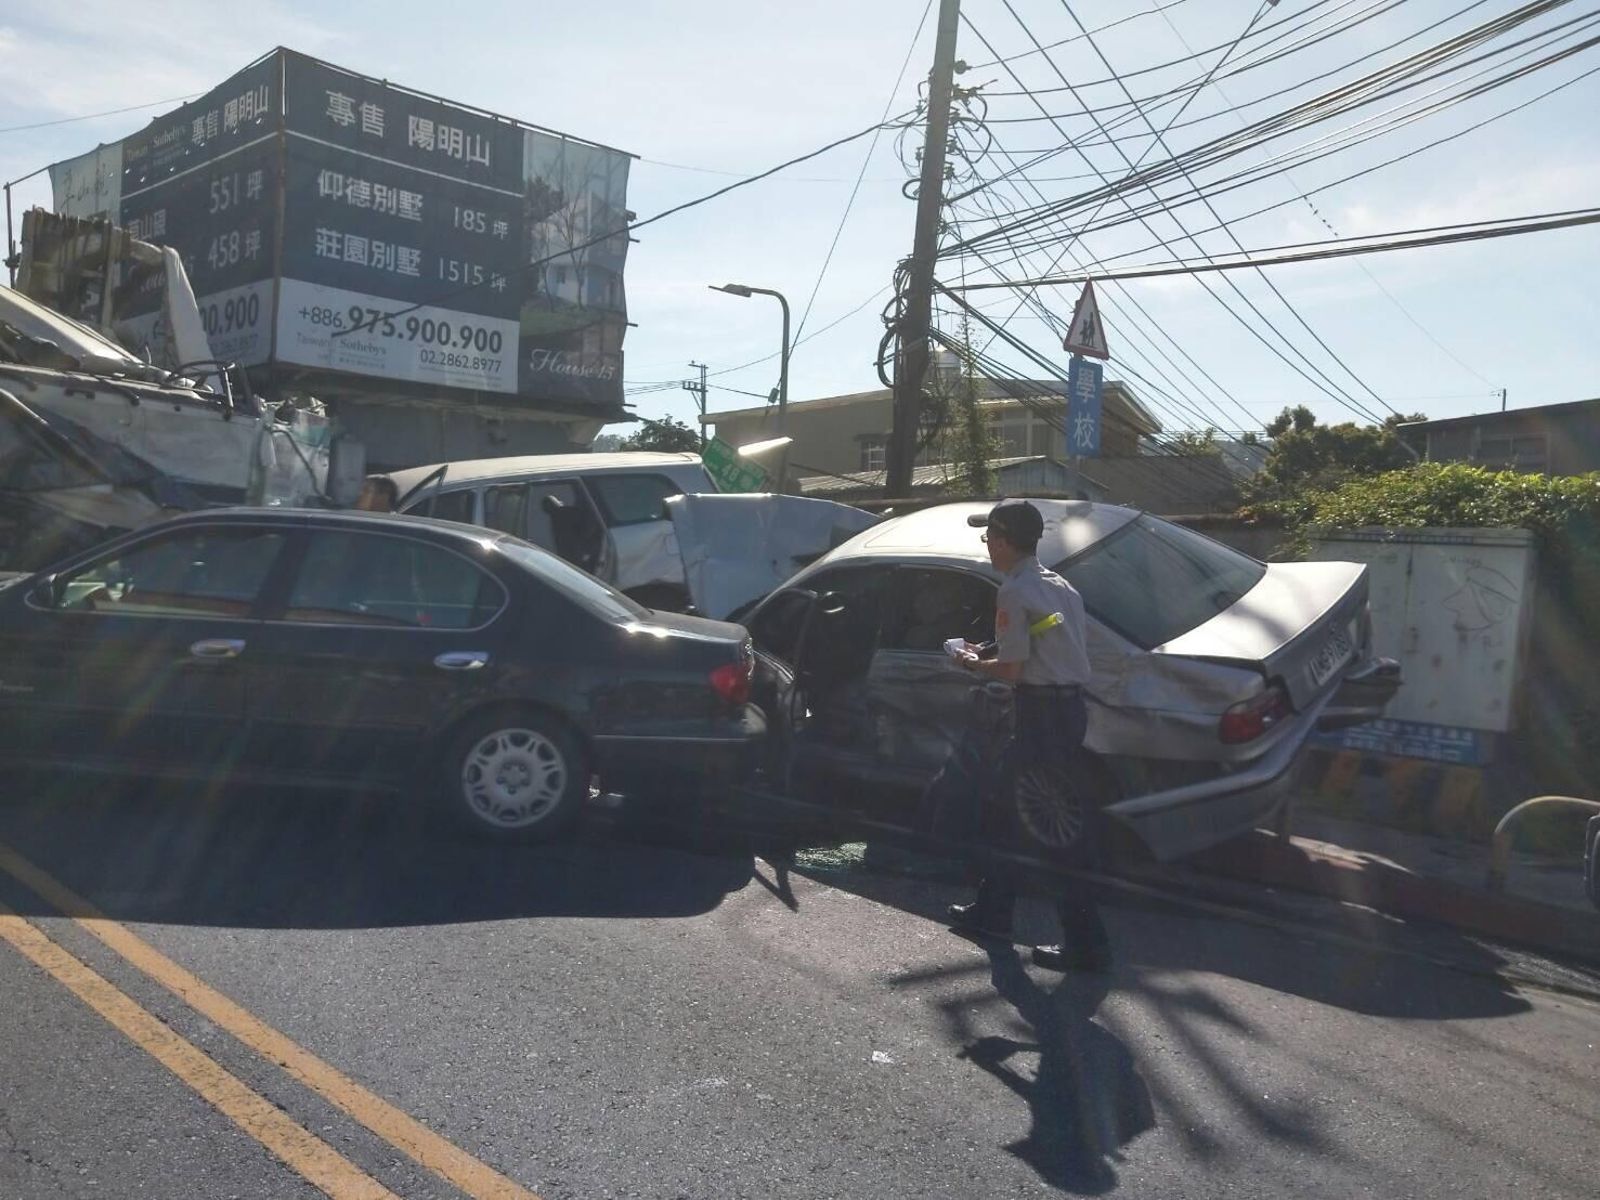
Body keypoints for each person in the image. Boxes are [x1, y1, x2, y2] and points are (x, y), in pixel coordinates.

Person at [928, 498, 1112, 973]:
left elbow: (1011, 670)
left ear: (1006, 541)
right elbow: (1046, 634)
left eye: (989, 537)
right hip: (1066, 713)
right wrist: (990, 645)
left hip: (1042, 717)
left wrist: (971, 662)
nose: (987, 545)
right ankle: (993, 912)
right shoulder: (1059, 586)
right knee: (1011, 816)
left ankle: (1088, 946)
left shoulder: (1013, 592)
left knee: (1050, 832)